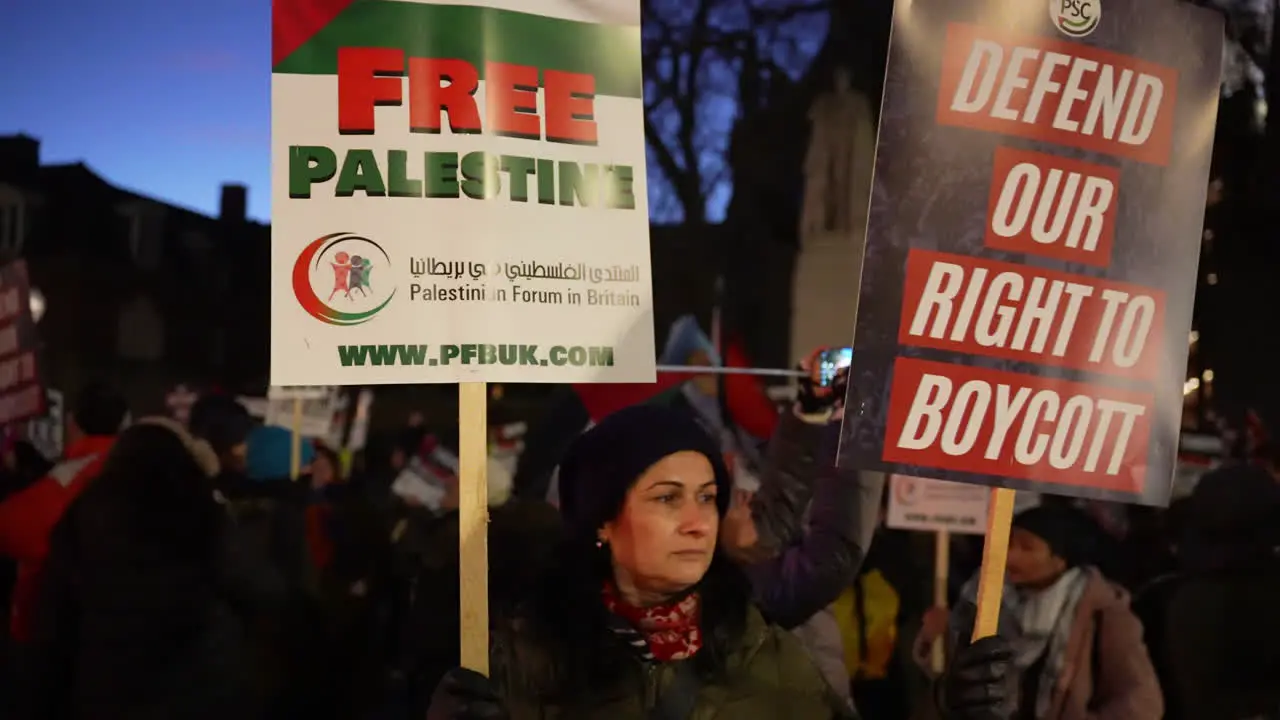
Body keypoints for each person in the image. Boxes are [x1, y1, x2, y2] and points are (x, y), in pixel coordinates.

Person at [427, 404, 1013, 719]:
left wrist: (955, 710)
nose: (697, 520)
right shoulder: (523, 661)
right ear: (602, 521)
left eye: (708, 496)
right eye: (667, 498)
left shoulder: (763, 645)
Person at [11, 418, 287, 720]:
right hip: (202, 689)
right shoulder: (203, 510)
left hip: (109, 691)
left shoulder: (85, 513)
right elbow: (260, 589)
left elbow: (55, 617)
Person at [916, 504, 1162, 720]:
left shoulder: (1102, 612)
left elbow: (1141, 702)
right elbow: (953, 681)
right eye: (1009, 544)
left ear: (1061, 559)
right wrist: (941, 636)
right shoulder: (983, 596)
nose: (1010, 556)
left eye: (1027, 548)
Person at [0, 382, 127, 646]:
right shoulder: (130, 464)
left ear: (72, 421)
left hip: (55, 633)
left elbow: (12, 529)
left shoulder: (73, 476)